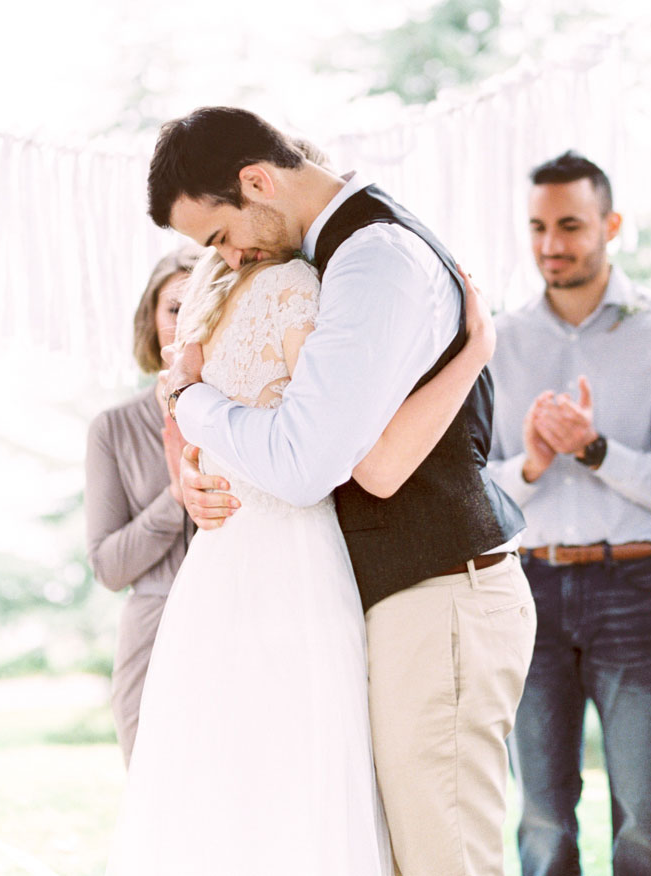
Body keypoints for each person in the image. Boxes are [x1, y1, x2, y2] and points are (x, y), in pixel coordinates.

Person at [150, 106, 535, 876]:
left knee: (444, 858)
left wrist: (189, 399)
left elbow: (310, 461)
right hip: (394, 596)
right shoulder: (335, 255)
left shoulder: (374, 259)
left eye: (220, 235)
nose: (226, 259)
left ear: (256, 180)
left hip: (441, 591)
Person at [106, 235, 497, 876]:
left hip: (218, 568)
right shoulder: (296, 287)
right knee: (304, 764)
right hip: (291, 555)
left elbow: (185, 436)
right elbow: (338, 462)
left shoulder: (212, 297)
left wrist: (191, 467)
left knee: (226, 774)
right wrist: (477, 349)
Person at [487, 151, 651, 876]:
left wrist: (593, 451)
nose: (551, 245)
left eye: (569, 226)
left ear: (610, 225)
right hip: (528, 593)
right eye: (537, 227)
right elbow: (475, 489)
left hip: (637, 592)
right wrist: (531, 463)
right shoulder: (497, 339)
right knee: (543, 824)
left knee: (646, 826)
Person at [85, 247, 198, 765]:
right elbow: (109, 567)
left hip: (245, 624)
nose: (187, 321)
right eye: (175, 308)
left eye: (204, 304)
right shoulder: (113, 429)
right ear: (151, 320)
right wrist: (175, 495)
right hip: (151, 634)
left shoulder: (254, 418)